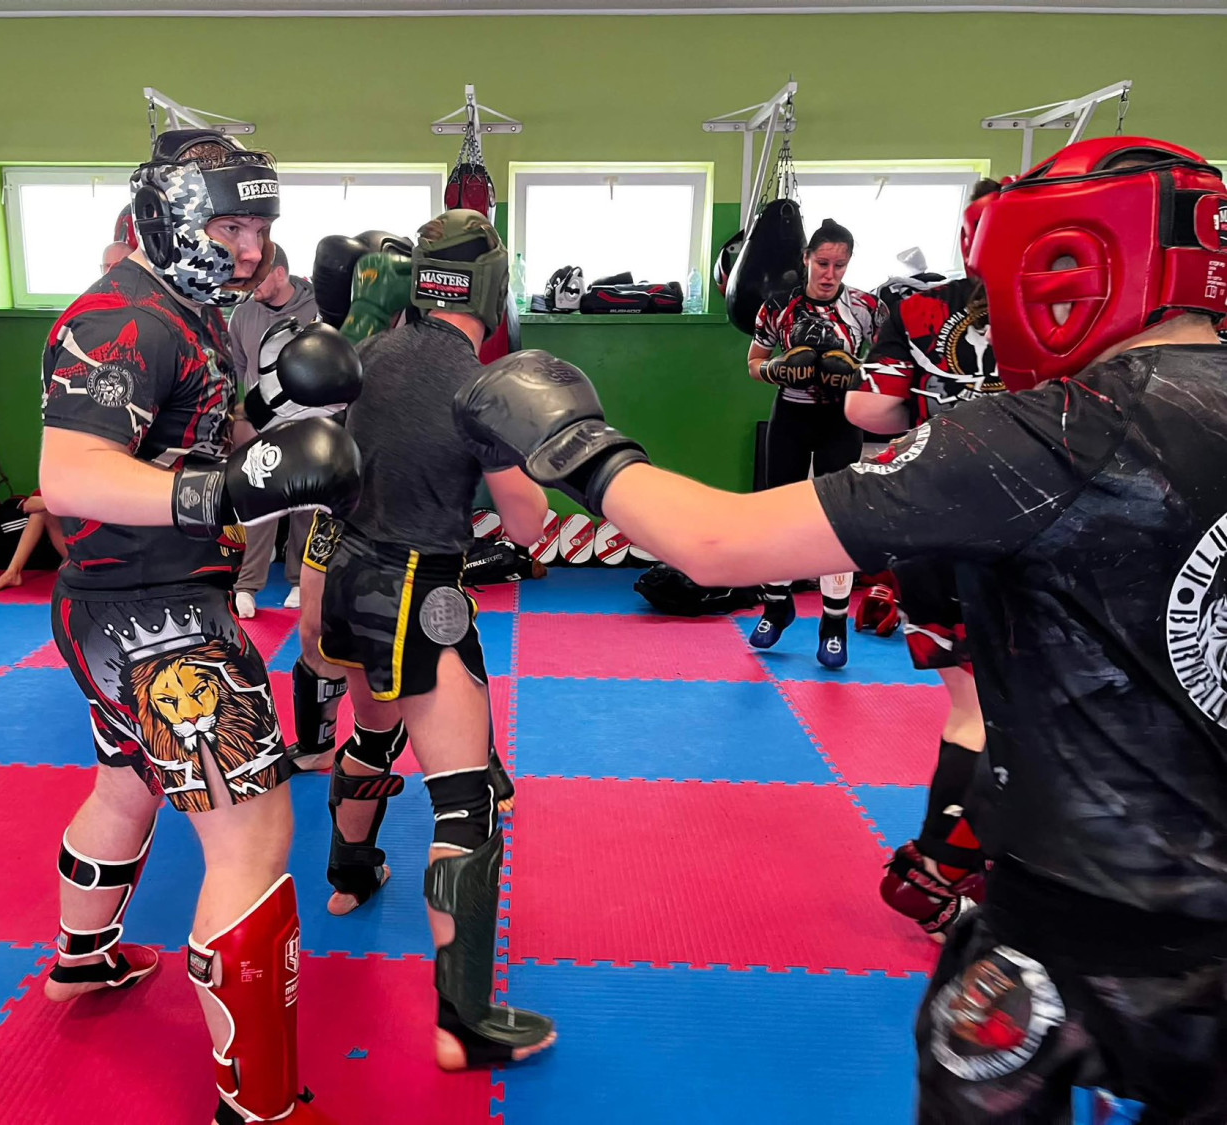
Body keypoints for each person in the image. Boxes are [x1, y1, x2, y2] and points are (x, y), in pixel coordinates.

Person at [452, 136, 1227, 1122]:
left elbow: (716, 542)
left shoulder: (1057, 433)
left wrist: (573, 441)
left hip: (1071, 924)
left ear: (1065, 263)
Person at [38, 127, 361, 1125]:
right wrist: (226, 491)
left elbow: (192, 430)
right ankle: (259, 1106)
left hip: (132, 603)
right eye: (230, 228)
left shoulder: (193, 311)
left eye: (260, 228)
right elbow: (71, 475)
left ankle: (82, 959)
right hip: (156, 619)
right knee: (254, 836)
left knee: (125, 783)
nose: (252, 249)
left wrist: (277, 399)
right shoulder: (123, 320)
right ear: (169, 218)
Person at [316, 209, 557, 1071]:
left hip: (345, 578)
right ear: (492, 287)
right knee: (466, 798)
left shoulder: (368, 352)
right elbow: (526, 522)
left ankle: (350, 876)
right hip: (421, 591)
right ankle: (464, 1022)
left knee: (372, 729)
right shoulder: (480, 385)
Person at [842, 180, 1006, 940]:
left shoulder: (920, 307)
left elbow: (868, 412)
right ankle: (943, 870)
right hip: (1035, 533)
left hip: (932, 525)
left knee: (973, 709)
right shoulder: (1090, 317)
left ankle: (953, 870)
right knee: (1029, 712)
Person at [745, 219, 885, 668]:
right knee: (778, 515)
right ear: (806, 259)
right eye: (822, 263)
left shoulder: (866, 308)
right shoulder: (778, 306)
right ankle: (776, 608)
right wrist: (777, 370)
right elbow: (754, 361)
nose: (830, 273)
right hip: (791, 416)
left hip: (841, 420)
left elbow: (889, 366)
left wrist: (858, 374)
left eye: (839, 265)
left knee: (836, 521)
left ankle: (833, 625)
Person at [229, 244, 320, 618]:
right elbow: (238, 368)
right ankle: (247, 586)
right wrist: (239, 419)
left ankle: (300, 579)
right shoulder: (242, 314)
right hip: (261, 420)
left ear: (280, 274)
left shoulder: (317, 309)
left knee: (305, 502)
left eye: (258, 277)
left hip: (309, 419)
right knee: (260, 501)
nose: (250, 284)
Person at [0, 490, 67, 593]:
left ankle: (81, 569)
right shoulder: (61, 484)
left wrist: (61, 503)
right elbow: (29, 505)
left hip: (85, 553)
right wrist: (57, 503)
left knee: (46, 506)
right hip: (74, 552)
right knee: (41, 511)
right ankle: (13, 572)